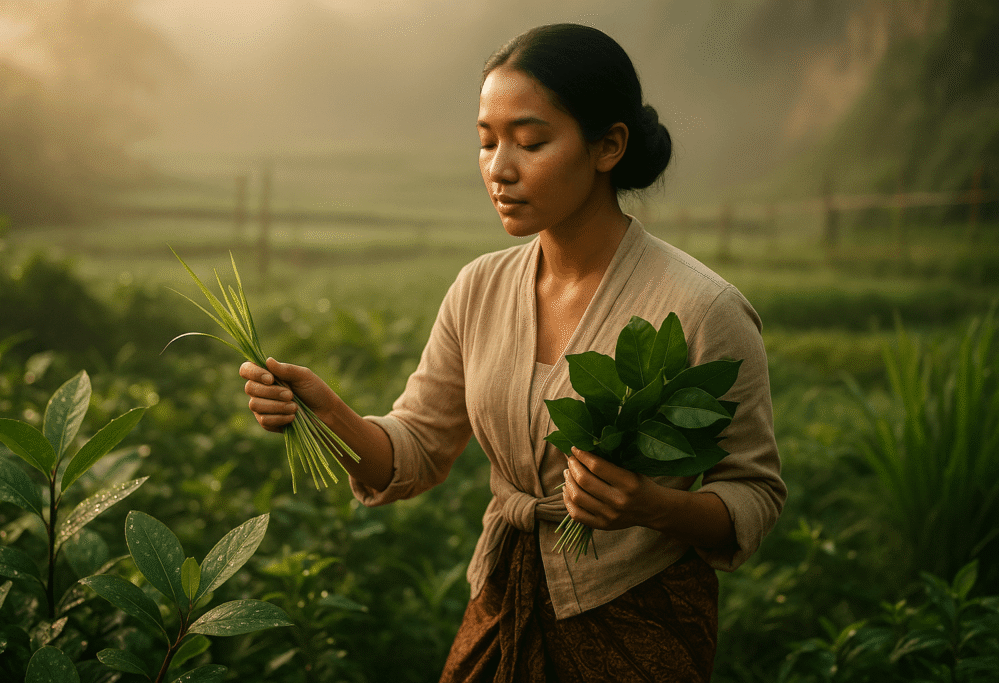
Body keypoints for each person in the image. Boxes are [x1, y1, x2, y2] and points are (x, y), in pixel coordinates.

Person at [240, 23, 786, 683]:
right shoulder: (480, 288)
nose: (500, 167)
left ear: (607, 146)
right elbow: (416, 445)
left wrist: (654, 506)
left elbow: (754, 491)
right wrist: (328, 415)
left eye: (530, 142)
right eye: (486, 141)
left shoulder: (702, 309)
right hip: (501, 597)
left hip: (641, 616)